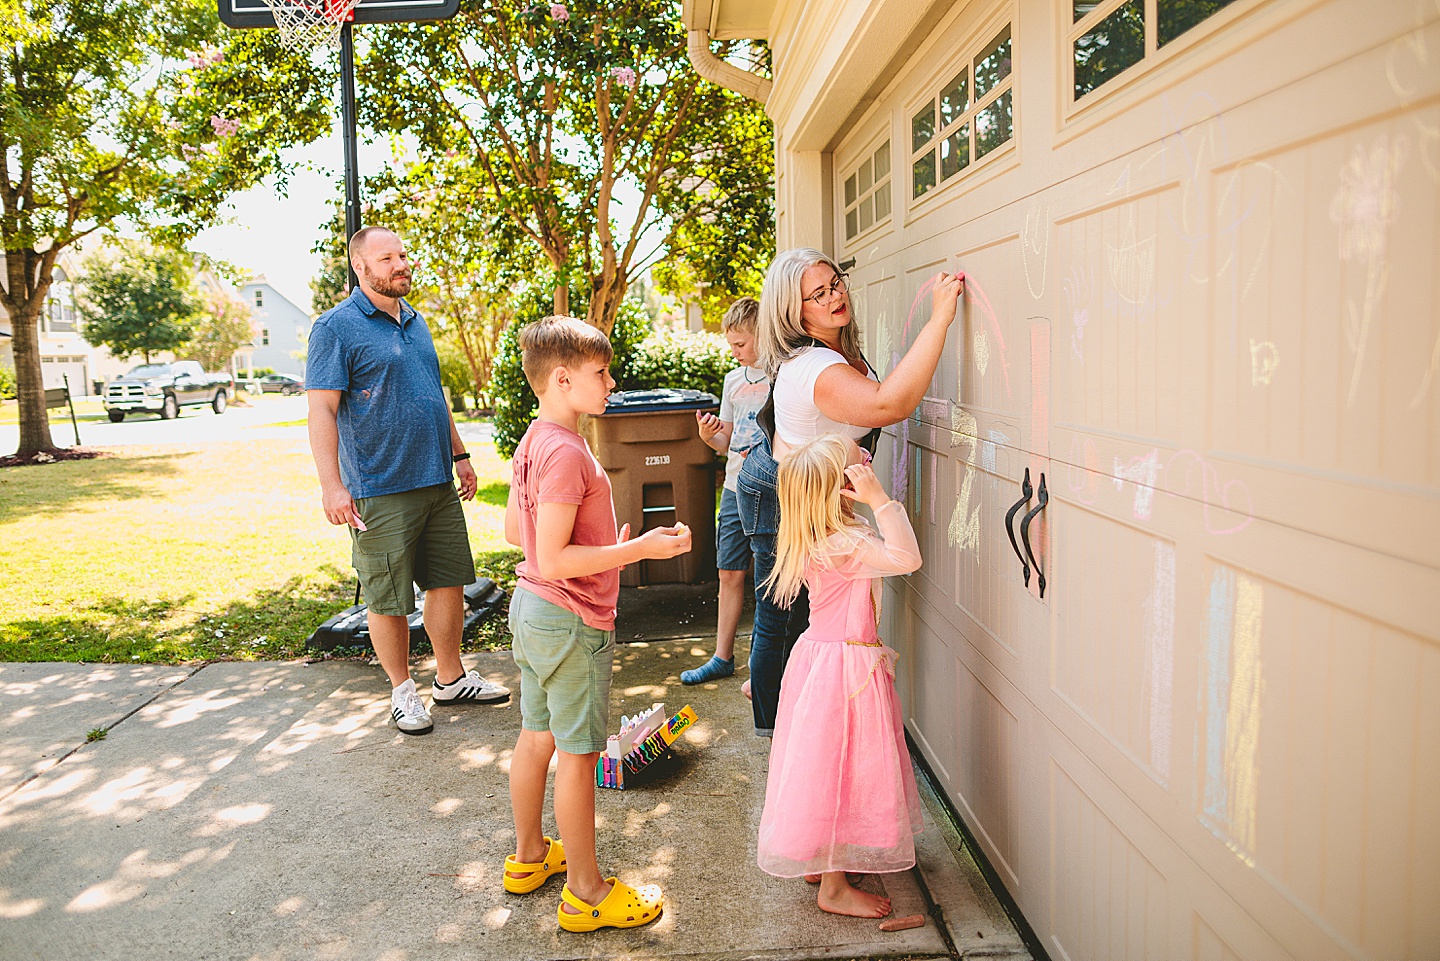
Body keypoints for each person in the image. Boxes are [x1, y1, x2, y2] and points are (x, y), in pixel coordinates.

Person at [501, 315, 691, 932]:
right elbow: (555, 557)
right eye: (600, 373)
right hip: (569, 619)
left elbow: (518, 536)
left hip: (532, 610)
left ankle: (530, 857)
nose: (611, 382)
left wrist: (606, 543)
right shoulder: (567, 453)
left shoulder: (535, 440)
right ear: (562, 379)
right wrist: (635, 553)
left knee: (537, 736)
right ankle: (586, 891)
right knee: (578, 756)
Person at [736, 248, 963, 735]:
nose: (834, 297)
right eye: (816, 295)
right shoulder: (814, 366)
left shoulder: (840, 347)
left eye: (834, 283)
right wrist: (941, 318)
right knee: (781, 616)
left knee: (810, 614)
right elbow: (889, 403)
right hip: (782, 492)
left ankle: (803, 720)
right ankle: (779, 733)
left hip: (811, 486)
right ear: (794, 314)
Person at [307, 225, 509, 737]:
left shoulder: (415, 323)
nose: (400, 264)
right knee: (388, 597)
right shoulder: (336, 327)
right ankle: (402, 693)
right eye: (386, 257)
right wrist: (332, 485)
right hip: (378, 486)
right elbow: (322, 411)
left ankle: (450, 678)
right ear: (361, 266)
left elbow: (434, 396)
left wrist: (460, 454)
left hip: (436, 479)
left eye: (402, 254)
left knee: (448, 582)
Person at [755, 433, 923, 918]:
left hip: (821, 660)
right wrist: (883, 501)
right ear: (838, 491)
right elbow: (907, 559)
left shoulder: (817, 535)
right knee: (841, 770)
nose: (863, 464)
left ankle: (821, 856)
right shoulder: (846, 543)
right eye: (855, 466)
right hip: (844, 669)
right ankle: (832, 886)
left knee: (822, 763)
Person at [683, 297, 768, 687]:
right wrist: (709, 436)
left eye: (740, 344)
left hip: (769, 487)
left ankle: (768, 656)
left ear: (763, 335)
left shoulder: (781, 374)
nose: (734, 352)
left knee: (769, 572)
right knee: (729, 571)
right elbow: (727, 440)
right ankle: (722, 656)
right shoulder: (734, 380)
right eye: (731, 344)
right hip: (734, 487)